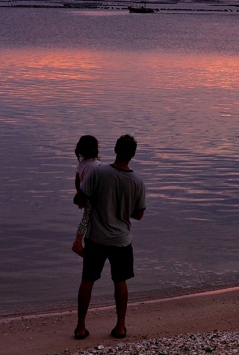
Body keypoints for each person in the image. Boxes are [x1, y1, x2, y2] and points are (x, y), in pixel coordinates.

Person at [73, 134, 146, 341]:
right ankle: (120, 327)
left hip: (96, 238)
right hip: (121, 240)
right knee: (120, 281)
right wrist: (120, 208)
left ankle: (80, 328)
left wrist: (91, 197)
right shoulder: (138, 182)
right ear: (133, 155)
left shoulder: (98, 173)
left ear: (115, 149)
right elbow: (139, 214)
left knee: (88, 280)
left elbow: (80, 198)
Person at [71, 135, 100, 257]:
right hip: (94, 195)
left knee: (86, 218)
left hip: (85, 193)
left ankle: (79, 240)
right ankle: (78, 242)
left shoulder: (82, 164)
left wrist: (79, 195)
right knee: (88, 217)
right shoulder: (97, 165)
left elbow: (77, 180)